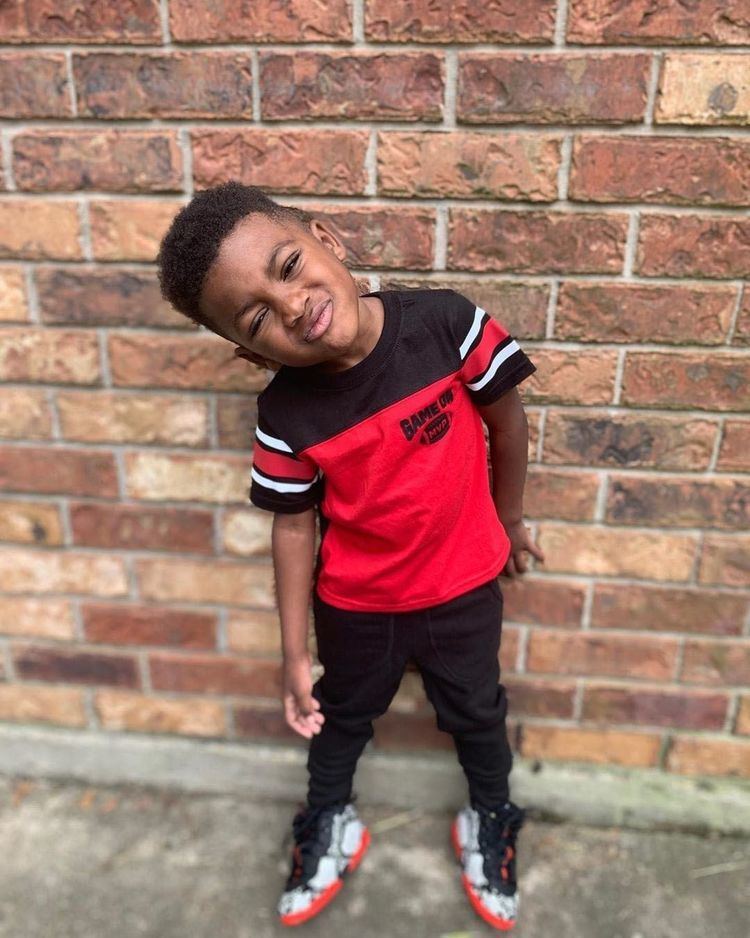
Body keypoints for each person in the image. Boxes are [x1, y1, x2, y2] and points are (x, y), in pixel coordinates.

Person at [157, 181, 545, 930]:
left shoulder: (446, 326)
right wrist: (294, 654)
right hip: (358, 606)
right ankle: (330, 823)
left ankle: (490, 817)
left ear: (327, 237)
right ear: (246, 352)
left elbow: (507, 421)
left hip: (464, 586)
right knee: (341, 718)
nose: (294, 303)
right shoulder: (286, 414)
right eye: (260, 316)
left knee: (476, 711)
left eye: (289, 265)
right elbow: (293, 527)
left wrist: (512, 519)